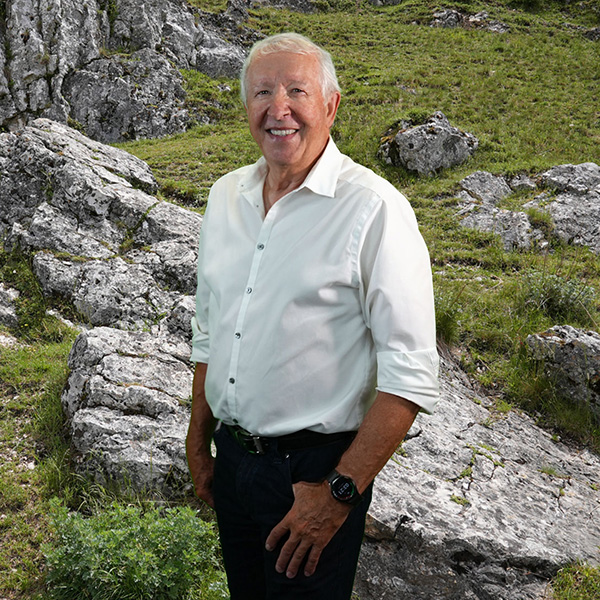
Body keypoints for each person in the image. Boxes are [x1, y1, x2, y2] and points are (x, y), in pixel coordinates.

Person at [186, 32, 439, 600]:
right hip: (234, 462)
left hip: (313, 475)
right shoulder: (225, 197)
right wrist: (199, 440)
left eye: (297, 90)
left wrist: (338, 493)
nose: (278, 109)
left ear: (330, 105)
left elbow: (411, 374)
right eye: (261, 93)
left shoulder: (375, 209)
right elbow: (211, 328)